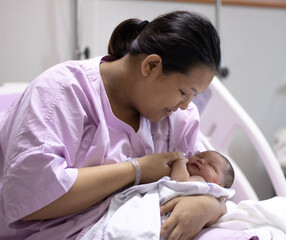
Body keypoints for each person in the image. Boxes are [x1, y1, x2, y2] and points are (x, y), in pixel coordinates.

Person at [0, 10, 225, 240]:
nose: (185, 105)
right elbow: (30, 198)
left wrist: (209, 206)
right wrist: (136, 170)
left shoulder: (178, 119)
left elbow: (217, 180)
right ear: (151, 66)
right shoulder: (63, 92)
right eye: (183, 92)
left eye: (193, 96)